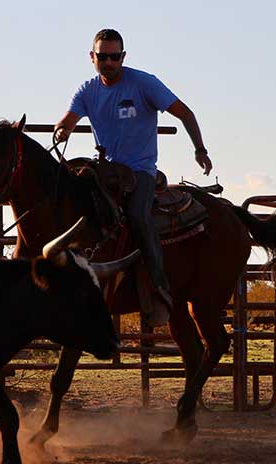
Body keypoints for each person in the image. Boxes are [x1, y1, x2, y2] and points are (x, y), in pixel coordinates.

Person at [54, 28, 213, 326]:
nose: (109, 62)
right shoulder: (87, 91)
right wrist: (62, 130)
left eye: (115, 56)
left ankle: (159, 287)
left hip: (140, 170)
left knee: (139, 217)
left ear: (123, 57)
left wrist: (199, 149)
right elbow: (67, 120)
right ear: (92, 57)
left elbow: (185, 113)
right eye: (103, 56)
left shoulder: (143, 83)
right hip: (105, 169)